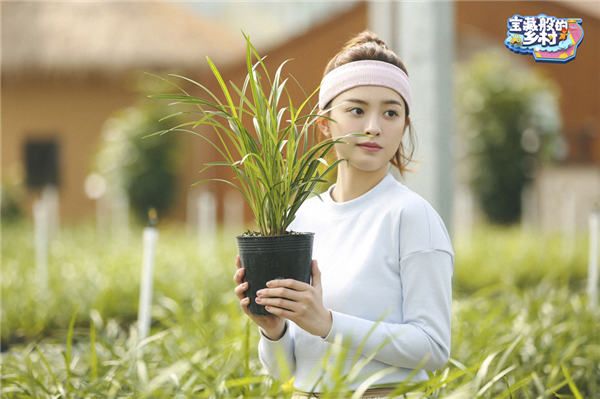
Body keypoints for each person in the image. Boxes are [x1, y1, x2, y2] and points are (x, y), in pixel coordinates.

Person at [233, 30, 454, 399]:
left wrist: (327, 323)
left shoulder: (412, 216)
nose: (373, 126)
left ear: (404, 126)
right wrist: (272, 329)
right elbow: (289, 371)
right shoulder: (302, 218)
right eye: (356, 110)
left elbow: (432, 347)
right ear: (324, 123)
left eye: (390, 112)